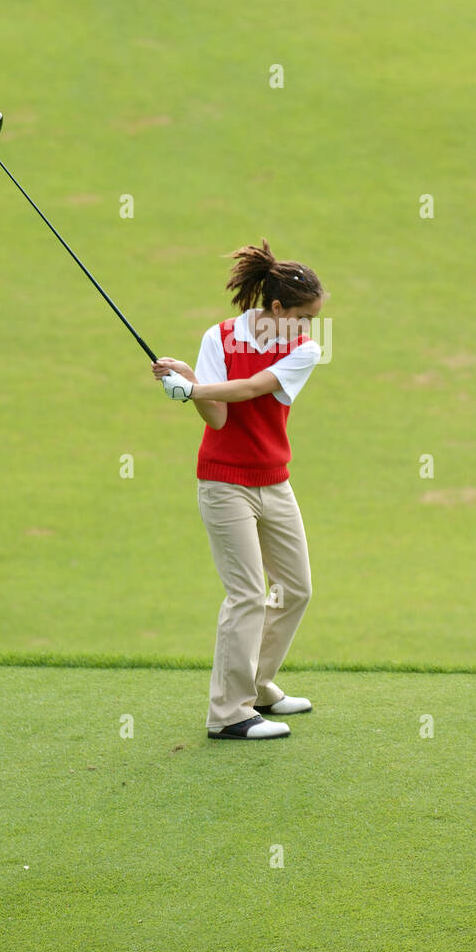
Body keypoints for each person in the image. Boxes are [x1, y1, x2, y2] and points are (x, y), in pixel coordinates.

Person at [152, 238, 325, 741]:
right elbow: (219, 415)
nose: (311, 327)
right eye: (305, 316)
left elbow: (252, 389)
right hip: (224, 481)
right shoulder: (219, 338)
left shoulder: (304, 348)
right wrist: (186, 383)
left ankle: (256, 681)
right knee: (247, 593)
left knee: (295, 589)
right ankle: (228, 714)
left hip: (274, 479)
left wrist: (194, 388)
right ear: (277, 308)